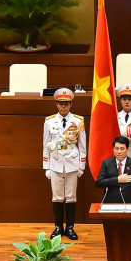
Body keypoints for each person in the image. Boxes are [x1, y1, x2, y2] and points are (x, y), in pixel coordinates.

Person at [43, 87, 87, 240]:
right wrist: (46, 166)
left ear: (71, 104)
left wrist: (81, 165)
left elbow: (82, 145)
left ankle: (70, 227)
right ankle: (58, 227)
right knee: (57, 196)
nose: (63, 106)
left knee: (70, 196)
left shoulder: (78, 121)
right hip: (55, 162)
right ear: (56, 104)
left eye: (66, 103)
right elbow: (46, 145)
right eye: (60, 103)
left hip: (72, 161)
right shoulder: (49, 122)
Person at [95, 136, 131, 204]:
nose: (119, 152)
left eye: (122, 149)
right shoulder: (106, 163)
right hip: (111, 204)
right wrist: (117, 180)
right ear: (113, 149)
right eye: (116, 148)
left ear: (127, 149)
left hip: (130, 204)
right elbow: (99, 183)